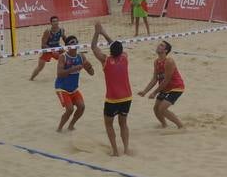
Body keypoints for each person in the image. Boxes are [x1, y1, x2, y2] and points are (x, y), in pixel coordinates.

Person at [90, 23, 132, 156]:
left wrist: (97, 32)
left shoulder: (105, 60)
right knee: (123, 124)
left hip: (112, 99)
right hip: (127, 97)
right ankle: (126, 149)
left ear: (110, 51)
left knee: (109, 125)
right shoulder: (125, 57)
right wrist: (104, 33)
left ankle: (115, 151)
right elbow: (115, 46)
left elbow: (93, 47)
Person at [138, 41, 184, 129]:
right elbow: (155, 79)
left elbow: (166, 80)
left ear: (166, 50)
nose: (158, 46)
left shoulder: (169, 61)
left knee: (162, 109)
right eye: (159, 44)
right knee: (156, 109)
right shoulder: (156, 62)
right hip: (165, 88)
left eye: (161, 45)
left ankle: (181, 126)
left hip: (176, 87)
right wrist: (145, 91)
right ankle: (164, 125)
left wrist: (154, 93)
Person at [54, 36, 94, 133]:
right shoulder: (63, 57)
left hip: (73, 89)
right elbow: (59, 74)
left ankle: (71, 125)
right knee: (70, 109)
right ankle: (59, 129)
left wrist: (89, 67)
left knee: (82, 107)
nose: (75, 44)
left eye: (76, 42)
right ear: (67, 46)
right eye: (72, 42)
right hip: (61, 88)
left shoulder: (81, 56)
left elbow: (92, 73)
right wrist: (73, 69)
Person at [29, 16, 67, 81]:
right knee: (40, 67)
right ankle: (31, 78)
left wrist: (70, 45)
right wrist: (52, 51)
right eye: (54, 21)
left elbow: (65, 39)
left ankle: (65, 76)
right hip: (47, 50)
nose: (55, 23)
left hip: (57, 48)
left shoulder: (61, 30)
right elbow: (43, 45)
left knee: (66, 61)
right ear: (51, 23)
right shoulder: (48, 31)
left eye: (56, 21)